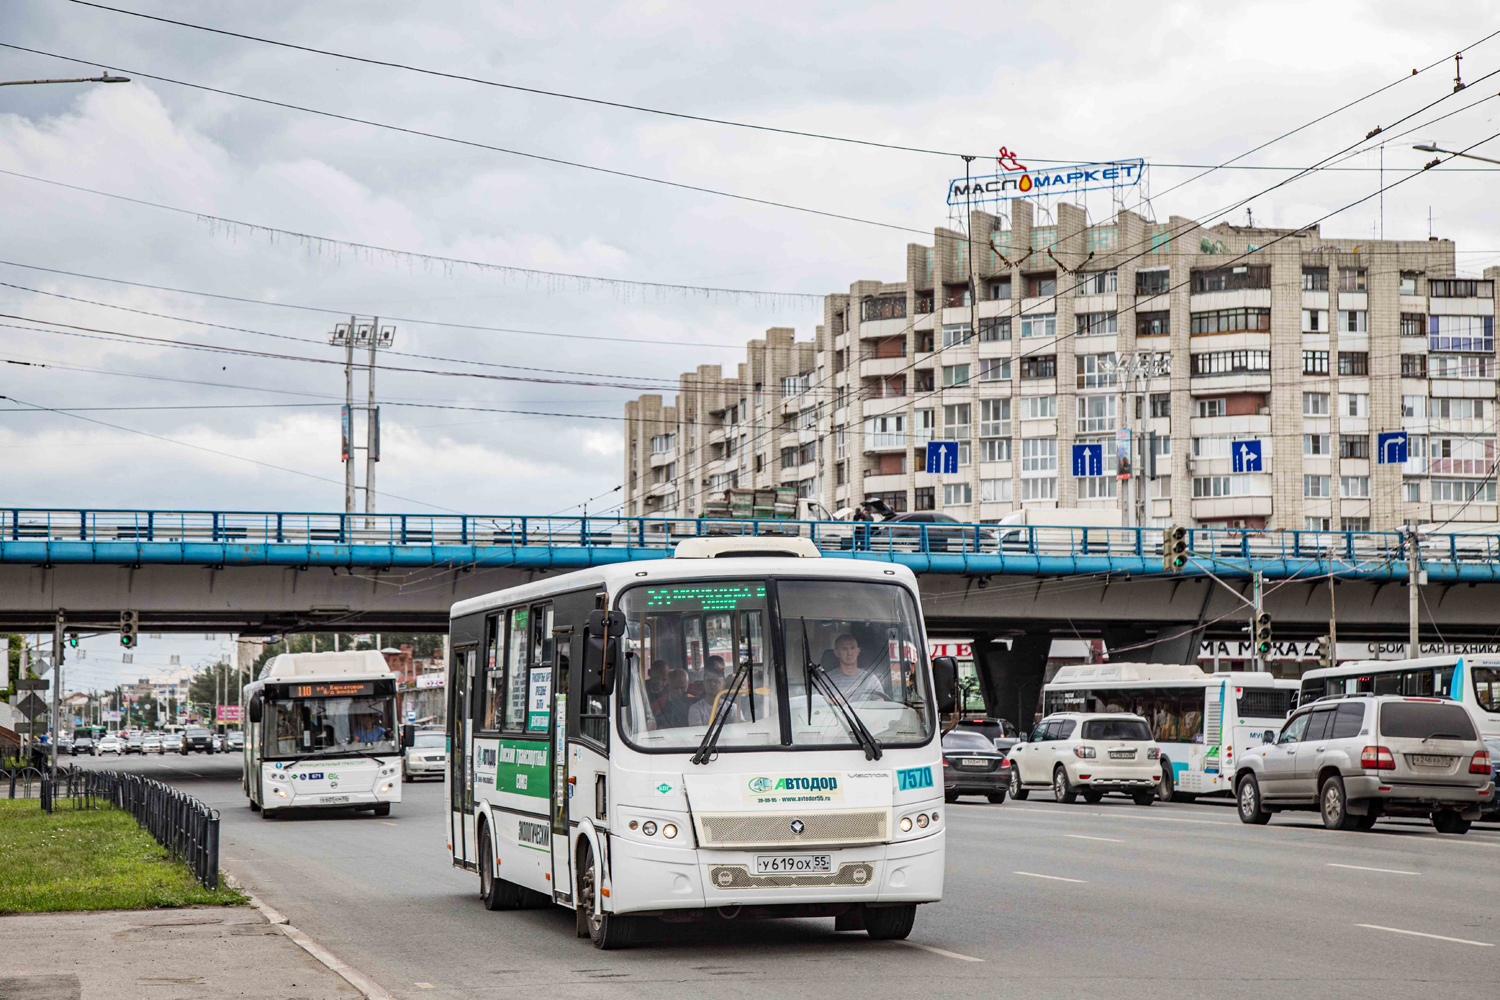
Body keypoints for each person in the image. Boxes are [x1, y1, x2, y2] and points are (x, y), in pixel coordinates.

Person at [826, 633, 886, 702]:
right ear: (836, 653)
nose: (849, 653)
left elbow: (880, 706)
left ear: (858, 651)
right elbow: (817, 704)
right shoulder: (826, 680)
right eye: (844, 649)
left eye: (852, 648)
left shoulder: (871, 680)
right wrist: (830, 701)